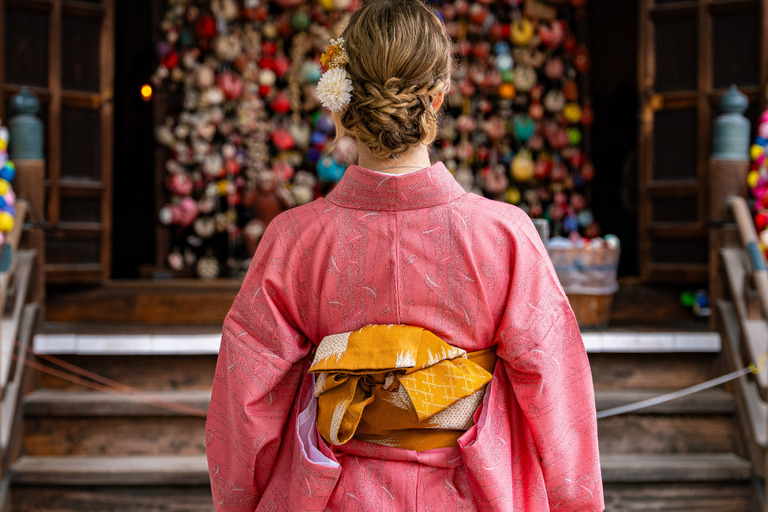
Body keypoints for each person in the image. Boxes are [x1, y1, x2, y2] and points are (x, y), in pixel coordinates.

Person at [205, 0, 604, 510]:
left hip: (336, 493)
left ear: (343, 103)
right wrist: (576, 503)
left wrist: (242, 503)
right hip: (474, 490)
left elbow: (246, 401)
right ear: (436, 97)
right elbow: (556, 386)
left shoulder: (293, 240)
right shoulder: (503, 235)